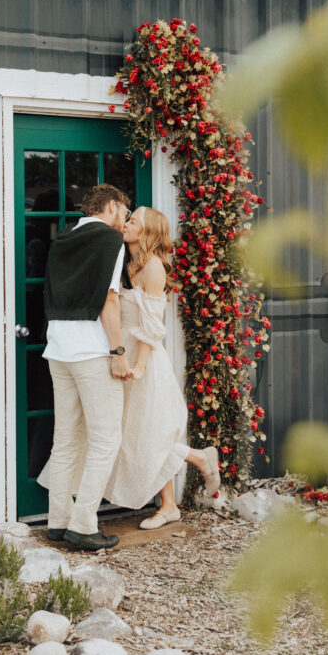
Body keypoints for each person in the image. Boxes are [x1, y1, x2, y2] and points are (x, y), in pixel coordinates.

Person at [103, 206, 221, 528]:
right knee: (139, 434)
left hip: (145, 357)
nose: (126, 224)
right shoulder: (128, 262)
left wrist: (139, 366)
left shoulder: (154, 268)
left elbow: (153, 327)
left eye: (133, 221)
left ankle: (178, 491)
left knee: (147, 434)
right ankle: (189, 472)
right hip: (125, 351)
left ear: (148, 231)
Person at [40, 182, 134, 551]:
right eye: (124, 212)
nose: (124, 221)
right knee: (105, 439)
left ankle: (57, 521)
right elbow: (108, 302)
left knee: (64, 440)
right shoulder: (110, 242)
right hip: (93, 350)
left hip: (58, 348)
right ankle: (83, 524)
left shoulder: (62, 239)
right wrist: (118, 351)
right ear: (111, 206)